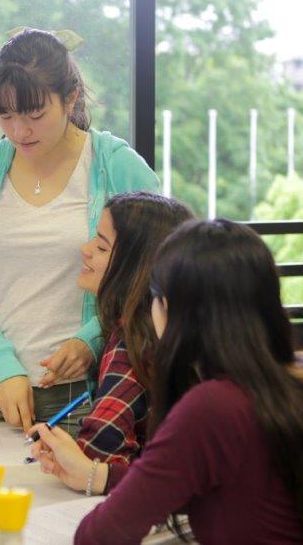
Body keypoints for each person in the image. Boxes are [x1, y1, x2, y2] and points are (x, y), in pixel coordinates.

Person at [31, 220, 303, 544]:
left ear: (166, 308)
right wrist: (94, 475)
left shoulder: (213, 407)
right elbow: (196, 486)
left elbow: (98, 536)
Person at [0, 27, 160, 434]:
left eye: (35, 115)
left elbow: (158, 273)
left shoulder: (115, 166)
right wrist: (1, 364)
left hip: (90, 394)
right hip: (1, 394)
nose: (19, 131)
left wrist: (91, 341)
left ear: (71, 97)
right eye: (5, 116)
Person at [75, 192, 193, 466]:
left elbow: (98, 449)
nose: (86, 249)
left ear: (135, 268)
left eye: (102, 248)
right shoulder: (178, 327)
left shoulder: (133, 340)